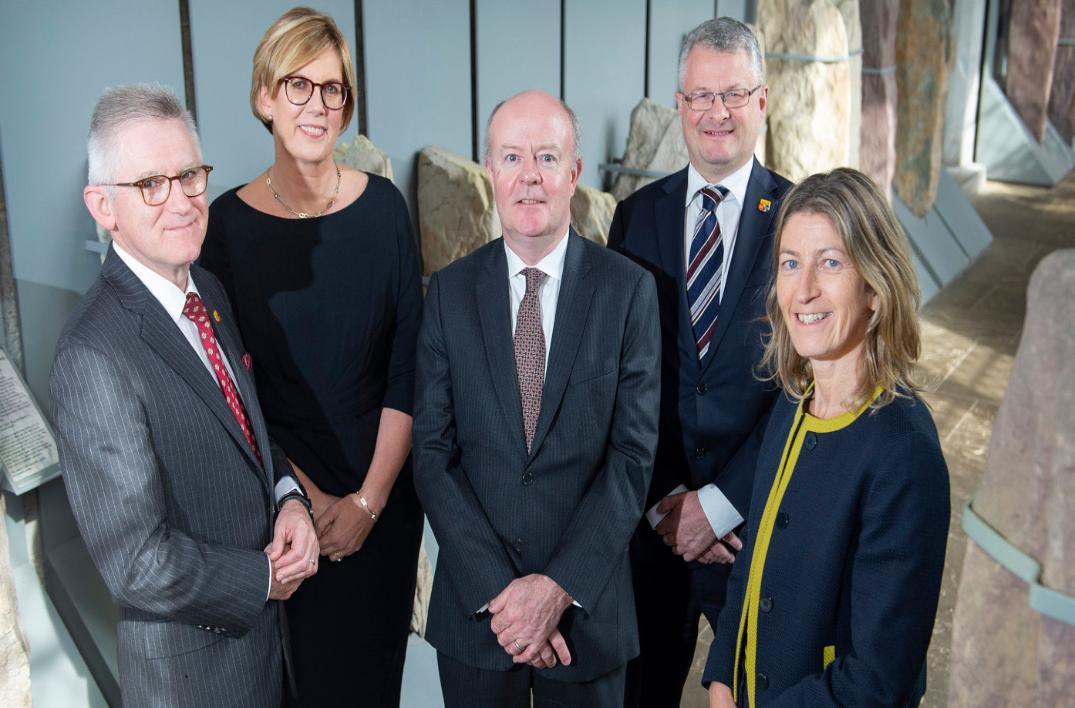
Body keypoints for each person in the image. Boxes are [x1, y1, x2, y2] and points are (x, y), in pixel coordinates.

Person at [50, 84, 318, 707]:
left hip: (268, 655)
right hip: (195, 681)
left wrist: (290, 500)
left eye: (190, 175)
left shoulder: (210, 294)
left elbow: (248, 432)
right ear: (102, 206)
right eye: (151, 184)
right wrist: (265, 578)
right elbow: (136, 561)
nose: (182, 202)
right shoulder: (94, 353)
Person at [197, 8, 423, 707]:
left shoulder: (385, 208)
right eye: (297, 85)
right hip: (283, 510)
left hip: (383, 501)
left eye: (333, 90)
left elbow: (408, 364)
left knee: (374, 686)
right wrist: (311, 499)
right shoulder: (224, 230)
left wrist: (368, 500)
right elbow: (235, 393)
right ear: (264, 97)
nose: (317, 105)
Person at [412, 90, 661, 708]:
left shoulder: (628, 292)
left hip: (587, 616)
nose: (530, 177)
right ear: (489, 169)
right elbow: (432, 455)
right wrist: (506, 596)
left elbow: (632, 459)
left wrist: (555, 590)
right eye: (512, 157)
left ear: (574, 173)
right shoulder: (447, 294)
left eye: (547, 158)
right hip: (478, 615)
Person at [705, 167, 950, 706]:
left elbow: (877, 680)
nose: (804, 289)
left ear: (875, 288)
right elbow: (753, 563)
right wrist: (722, 676)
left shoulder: (903, 450)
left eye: (831, 263)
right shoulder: (793, 404)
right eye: (791, 263)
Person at [606, 17, 793, 707]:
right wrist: (665, 503)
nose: (717, 113)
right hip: (650, 530)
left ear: (762, 101)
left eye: (734, 94)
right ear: (679, 105)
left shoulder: (800, 218)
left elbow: (805, 388)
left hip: (756, 527)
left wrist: (718, 505)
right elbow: (618, 375)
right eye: (700, 96)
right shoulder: (634, 218)